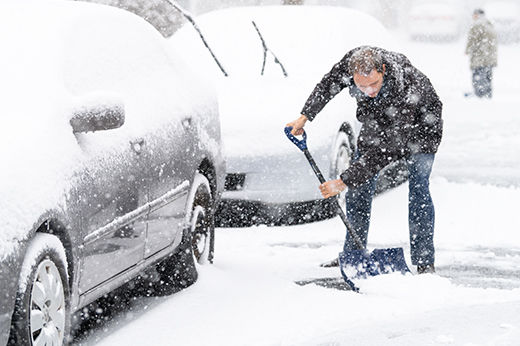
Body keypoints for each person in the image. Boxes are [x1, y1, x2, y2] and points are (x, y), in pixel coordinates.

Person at [286, 46, 443, 274]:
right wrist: (305, 116)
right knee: (358, 187)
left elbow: (384, 151)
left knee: (419, 190)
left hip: (422, 129)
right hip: (379, 119)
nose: (368, 91)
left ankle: (424, 261)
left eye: (374, 84)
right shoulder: (351, 62)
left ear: (383, 71)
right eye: (361, 86)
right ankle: (353, 254)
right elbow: (328, 85)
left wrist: (342, 181)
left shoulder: (407, 89)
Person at [465, 8, 497, 98]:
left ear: (477, 15)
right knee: (487, 78)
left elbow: (472, 40)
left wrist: (468, 50)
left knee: (478, 78)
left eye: (474, 15)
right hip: (489, 58)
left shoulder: (477, 25)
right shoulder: (489, 24)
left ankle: (479, 96)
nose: (473, 17)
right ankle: (487, 95)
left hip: (480, 58)